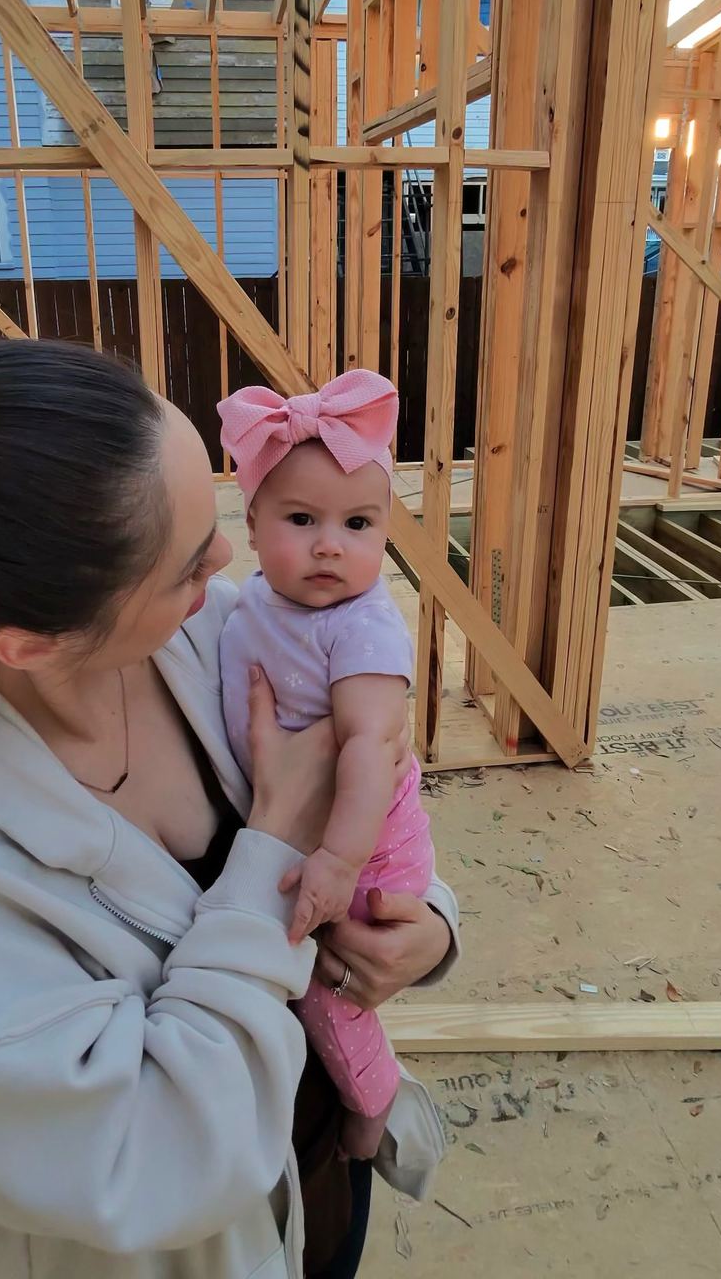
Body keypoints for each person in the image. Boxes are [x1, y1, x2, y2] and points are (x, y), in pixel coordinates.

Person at [0, 340, 458, 1279]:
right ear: (29, 644)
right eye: (188, 564)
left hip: (309, 1199)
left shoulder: (210, 638)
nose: (229, 561)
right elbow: (149, 1159)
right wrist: (271, 851)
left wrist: (425, 925)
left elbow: (375, 787)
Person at [218, 371, 434, 1163]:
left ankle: (372, 1108)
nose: (328, 545)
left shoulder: (364, 627)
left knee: (327, 992)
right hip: (309, 828)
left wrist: (340, 860)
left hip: (366, 840)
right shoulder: (251, 600)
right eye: (301, 518)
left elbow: (373, 746)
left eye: (357, 523)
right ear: (251, 523)